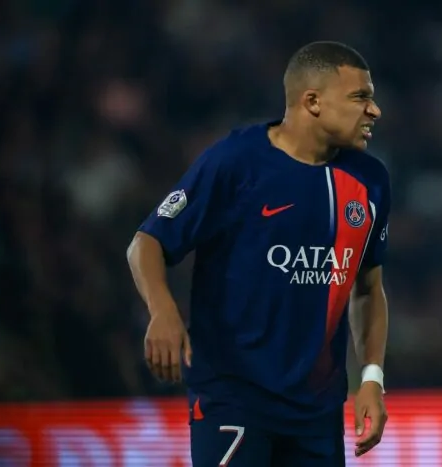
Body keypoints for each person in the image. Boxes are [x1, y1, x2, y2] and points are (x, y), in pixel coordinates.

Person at [126, 40, 390, 467]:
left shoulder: (370, 181)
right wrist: (163, 311)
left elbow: (368, 288)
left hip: (317, 413)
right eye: (360, 97)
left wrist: (372, 378)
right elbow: (146, 242)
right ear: (313, 102)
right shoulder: (236, 163)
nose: (374, 110)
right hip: (234, 397)